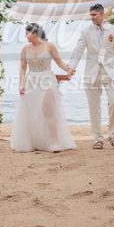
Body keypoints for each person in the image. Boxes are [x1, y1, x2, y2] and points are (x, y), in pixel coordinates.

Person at [68, 4, 114, 150]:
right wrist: (72, 67)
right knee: (93, 107)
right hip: (91, 72)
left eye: (94, 14)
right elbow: (78, 49)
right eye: (91, 15)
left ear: (102, 14)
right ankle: (97, 138)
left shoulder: (113, 31)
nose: (92, 17)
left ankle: (113, 135)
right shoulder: (86, 32)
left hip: (110, 72)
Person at [12, 23, 76, 153]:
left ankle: (54, 141)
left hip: (47, 80)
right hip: (31, 81)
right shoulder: (25, 49)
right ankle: (35, 141)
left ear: (35, 33)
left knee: (49, 110)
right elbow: (23, 67)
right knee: (32, 112)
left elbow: (59, 62)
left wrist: (68, 69)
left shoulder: (49, 46)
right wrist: (21, 84)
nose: (25, 36)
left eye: (27, 33)